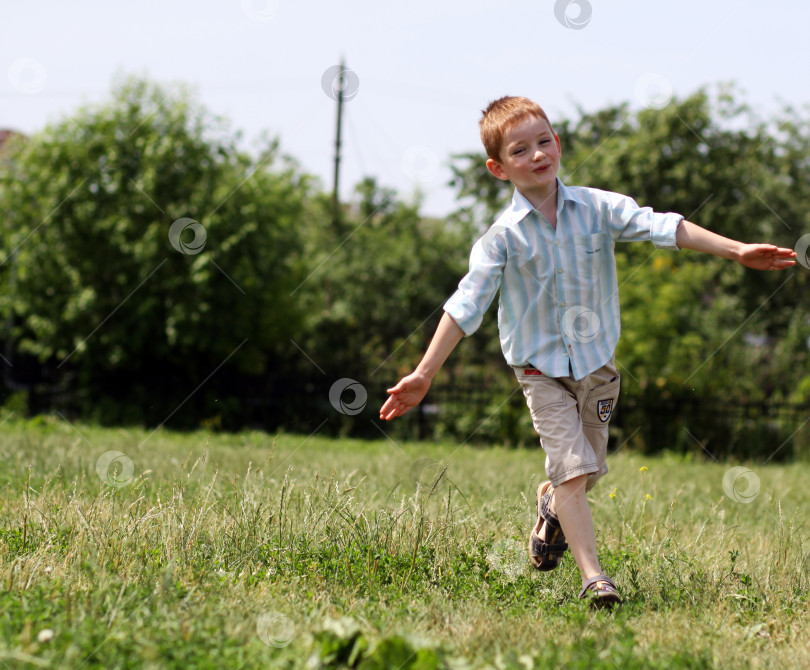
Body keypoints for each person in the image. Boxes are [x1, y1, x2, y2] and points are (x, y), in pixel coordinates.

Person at [378, 96, 796, 608]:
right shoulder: (500, 240)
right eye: (520, 149)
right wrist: (423, 373)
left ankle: (550, 507)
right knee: (573, 469)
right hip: (540, 370)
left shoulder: (597, 208)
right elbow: (465, 307)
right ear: (498, 168)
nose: (537, 155)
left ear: (558, 143)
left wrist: (736, 250)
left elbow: (663, 226)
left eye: (544, 141)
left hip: (597, 365)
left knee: (590, 470)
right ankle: (594, 578)